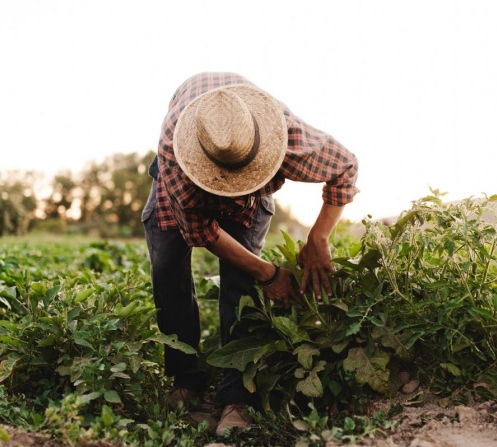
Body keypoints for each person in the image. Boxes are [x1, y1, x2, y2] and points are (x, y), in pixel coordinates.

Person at [141, 72, 359, 435]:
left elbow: (345, 167)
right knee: (166, 269)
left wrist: (319, 238)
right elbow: (203, 232)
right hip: (181, 184)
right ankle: (186, 377)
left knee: (240, 285)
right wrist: (270, 273)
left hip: (252, 180)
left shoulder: (284, 135)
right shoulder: (176, 158)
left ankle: (236, 397)